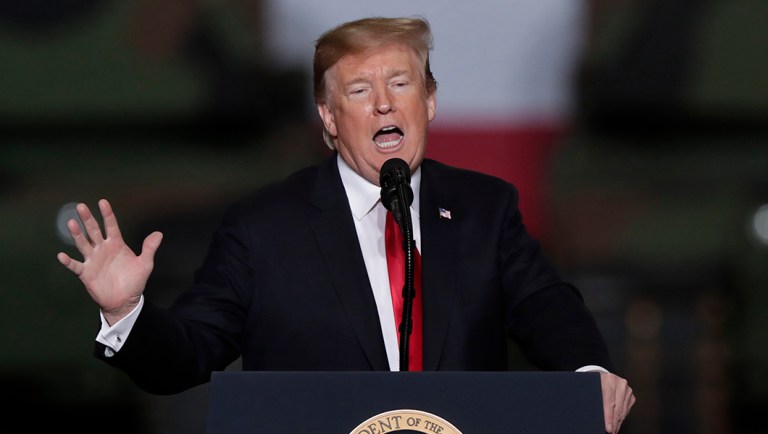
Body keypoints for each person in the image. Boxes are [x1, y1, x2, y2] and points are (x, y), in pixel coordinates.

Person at [57, 16, 635, 433]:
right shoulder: (263, 227)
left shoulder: (485, 208)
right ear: (329, 119)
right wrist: (124, 314)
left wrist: (589, 374)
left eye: (401, 84)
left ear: (429, 101)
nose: (384, 104)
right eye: (360, 91)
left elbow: (548, 307)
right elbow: (184, 356)